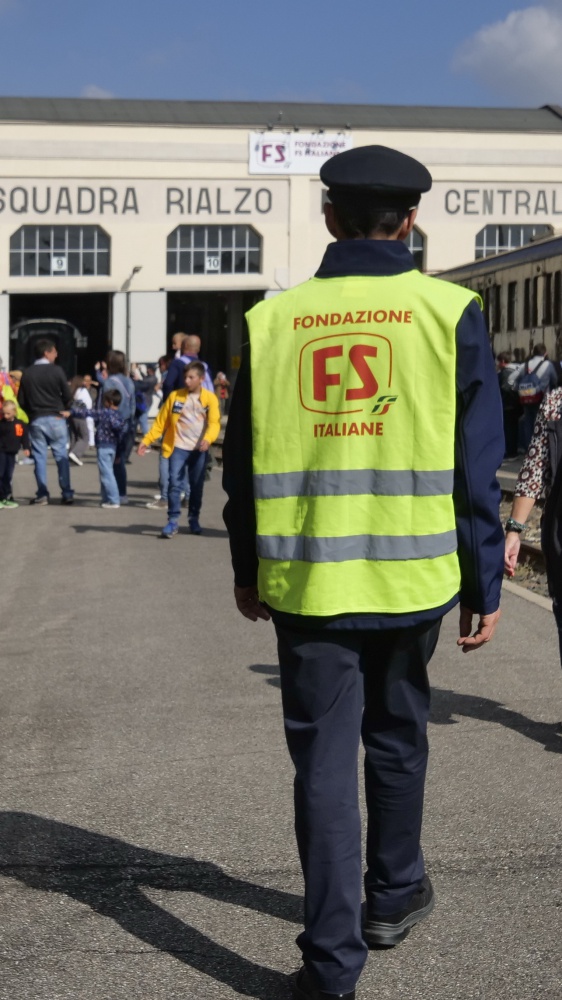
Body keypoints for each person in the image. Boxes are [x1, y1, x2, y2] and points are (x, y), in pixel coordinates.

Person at [223, 144, 504, 1000]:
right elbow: (475, 464)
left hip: (308, 582)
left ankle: (331, 966)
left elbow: (242, 466)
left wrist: (248, 568)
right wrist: (485, 582)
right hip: (415, 579)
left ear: (327, 215)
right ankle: (392, 896)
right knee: (399, 736)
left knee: (323, 766)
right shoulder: (450, 310)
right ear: (409, 219)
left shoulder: (271, 320)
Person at [505, 378, 562, 654]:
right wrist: (514, 529)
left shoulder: (555, 402)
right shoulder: (554, 403)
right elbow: (534, 471)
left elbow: (533, 472)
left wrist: (515, 531)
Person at [138, 361, 220, 537]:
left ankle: (194, 519)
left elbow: (214, 423)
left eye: (191, 377)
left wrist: (208, 439)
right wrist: (147, 440)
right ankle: (172, 521)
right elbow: (161, 423)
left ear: (201, 378)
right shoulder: (175, 397)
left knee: (197, 487)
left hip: (199, 450)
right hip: (178, 448)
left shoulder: (209, 399)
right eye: (185, 377)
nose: (187, 381)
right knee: (174, 484)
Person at [17, 339, 74, 506]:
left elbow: (21, 400)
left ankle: (42, 494)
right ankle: (67, 492)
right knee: (61, 457)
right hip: (56, 417)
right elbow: (67, 395)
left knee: (40, 458)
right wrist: (64, 408)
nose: (56, 355)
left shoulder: (27, 373)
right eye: (54, 352)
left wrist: (32, 413)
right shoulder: (57, 371)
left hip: (36, 419)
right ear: (46, 353)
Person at [72, 388, 125, 508]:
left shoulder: (105, 413)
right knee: (106, 473)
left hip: (103, 446)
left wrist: (72, 411)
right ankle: (106, 498)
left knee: (106, 474)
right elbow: (121, 436)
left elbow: (88, 413)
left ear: (110, 402)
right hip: (113, 447)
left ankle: (114, 499)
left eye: (104, 401)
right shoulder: (119, 415)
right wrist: (119, 453)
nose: (103, 403)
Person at [99, 351, 135, 504]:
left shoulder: (109, 382)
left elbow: (105, 406)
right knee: (119, 461)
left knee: (107, 463)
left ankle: (110, 496)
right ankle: (122, 493)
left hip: (111, 427)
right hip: (126, 424)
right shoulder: (129, 381)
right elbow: (132, 407)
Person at [516, 343, 558, 449]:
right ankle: (540, 448)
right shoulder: (548, 365)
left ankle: (529, 447)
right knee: (541, 423)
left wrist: (519, 390)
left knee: (528, 423)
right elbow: (555, 380)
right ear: (545, 353)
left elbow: (514, 380)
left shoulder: (525, 365)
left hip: (526, 398)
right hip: (542, 398)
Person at [162, 334, 214, 400]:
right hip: (203, 403)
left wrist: (168, 401)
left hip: (183, 402)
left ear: (184, 346)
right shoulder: (205, 366)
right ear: (198, 349)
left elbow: (168, 384)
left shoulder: (177, 363)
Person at [0, 399, 30, 507]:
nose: (5, 416)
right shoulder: (2, 424)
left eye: (8, 413)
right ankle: (1, 497)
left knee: (8, 475)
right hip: (2, 452)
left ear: (14, 412)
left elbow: (24, 437)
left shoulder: (19, 424)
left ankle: (7, 497)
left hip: (12, 453)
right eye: (3, 413)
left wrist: (26, 447)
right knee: (1, 474)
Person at [497, 351, 522, 459]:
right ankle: (514, 449)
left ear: (502, 361)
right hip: (517, 403)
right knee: (514, 428)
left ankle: (510, 451)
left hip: (508, 405)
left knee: (509, 429)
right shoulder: (518, 369)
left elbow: (503, 389)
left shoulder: (505, 372)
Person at [68, 375, 92, 467]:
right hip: (81, 415)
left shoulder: (72, 391)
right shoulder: (83, 391)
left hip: (71, 414)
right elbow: (88, 403)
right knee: (84, 436)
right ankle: (75, 453)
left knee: (74, 436)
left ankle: (71, 455)